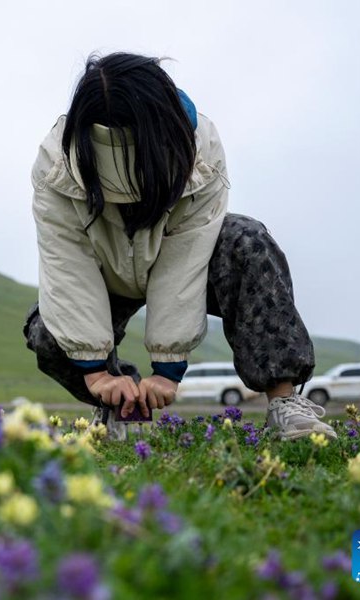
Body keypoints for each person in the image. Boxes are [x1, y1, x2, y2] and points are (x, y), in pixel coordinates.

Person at [22, 52, 336, 441]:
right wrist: (97, 370)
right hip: (106, 270)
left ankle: (285, 403)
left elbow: (186, 256)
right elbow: (68, 264)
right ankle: (121, 404)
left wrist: (167, 367)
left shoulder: (202, 148)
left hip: (189, 262)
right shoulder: (56, 164)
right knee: (47, 332)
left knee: (247, 241)